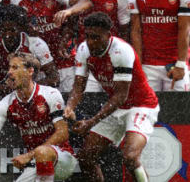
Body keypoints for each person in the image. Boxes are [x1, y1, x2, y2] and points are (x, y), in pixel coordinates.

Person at [64, 12, 159, 182]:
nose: (91, 42)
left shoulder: (121, 51)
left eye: (96, 37)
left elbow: (120, 96)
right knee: (86, 157)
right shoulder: (83, 49)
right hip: (117, 109)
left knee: (129, 157)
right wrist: (69, 106)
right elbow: (79, 87)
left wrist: (91, 122)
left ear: (108, 35)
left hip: (141, 105)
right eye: (88, 36)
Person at [0, 52, 77, 182]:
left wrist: (29, 155)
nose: (9, 72)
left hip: (63, 158)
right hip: (37, 162)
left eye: (15, 67)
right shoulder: (6, 104)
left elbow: (63, 133)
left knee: (42, 151)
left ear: (30, 71)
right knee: (40, 153)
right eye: (9, 68)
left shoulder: (50, 94)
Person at [12, 0, 92, 93]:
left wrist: (68, 12)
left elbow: (86, 2)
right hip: (40, 64)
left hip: (63, 61)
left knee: (67, 102)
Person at [128, 0, 190, 91]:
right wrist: (138, 67)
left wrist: (181, 64)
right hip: (147, 66)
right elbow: (135, 31)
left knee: (180, 110)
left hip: (174, 64)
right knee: (147, 110)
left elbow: (184, 30)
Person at [70, 0, 130, 92]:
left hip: (111, 57)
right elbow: (72, 21)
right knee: (87, 98)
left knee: (111, 98)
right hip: (85, 54)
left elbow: (125, 30)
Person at [0, 4, 59, 93]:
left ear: (20, 29)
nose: (8, 35)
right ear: (0, 29)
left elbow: (54, 78)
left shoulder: (36, 44)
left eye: (12, 31)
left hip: (30, 94)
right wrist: (6, 89)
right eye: (4, 31)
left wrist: (27, 87)